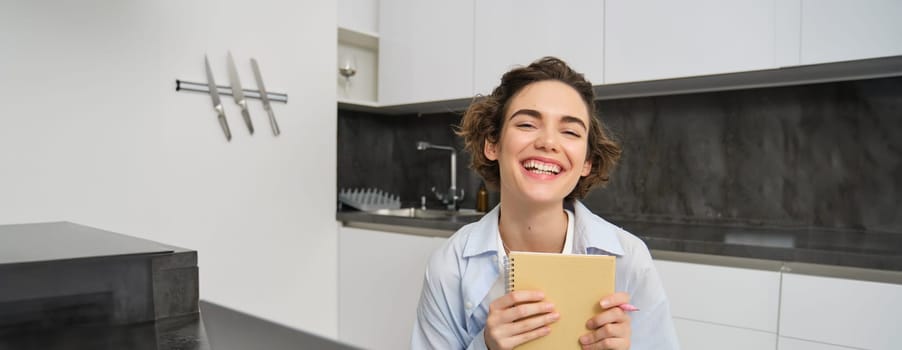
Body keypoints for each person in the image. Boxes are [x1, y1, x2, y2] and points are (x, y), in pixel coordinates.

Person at [409, 57, 679, 350]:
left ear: (587, 161)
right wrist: (485, 347)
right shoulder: (449, 266)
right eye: (527, 123)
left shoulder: (629, 261)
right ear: (493, 144)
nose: (548, 142)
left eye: (571, 131)